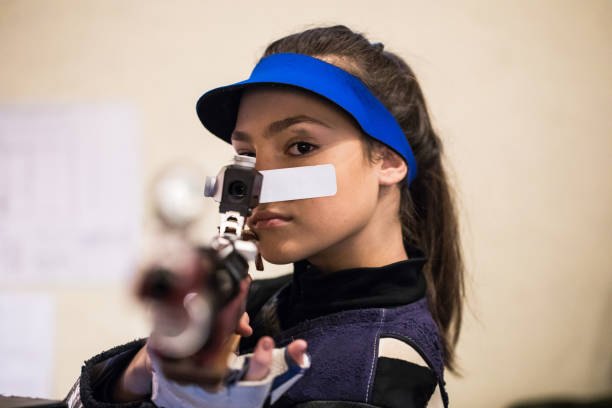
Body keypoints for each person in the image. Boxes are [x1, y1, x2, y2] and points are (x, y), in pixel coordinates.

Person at [66, 25, 465, 408]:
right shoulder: (256, 302)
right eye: (247, 156)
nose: (259, 182)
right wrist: (139, 373)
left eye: (301, 146)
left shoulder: (380, 365)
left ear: (389, 160)